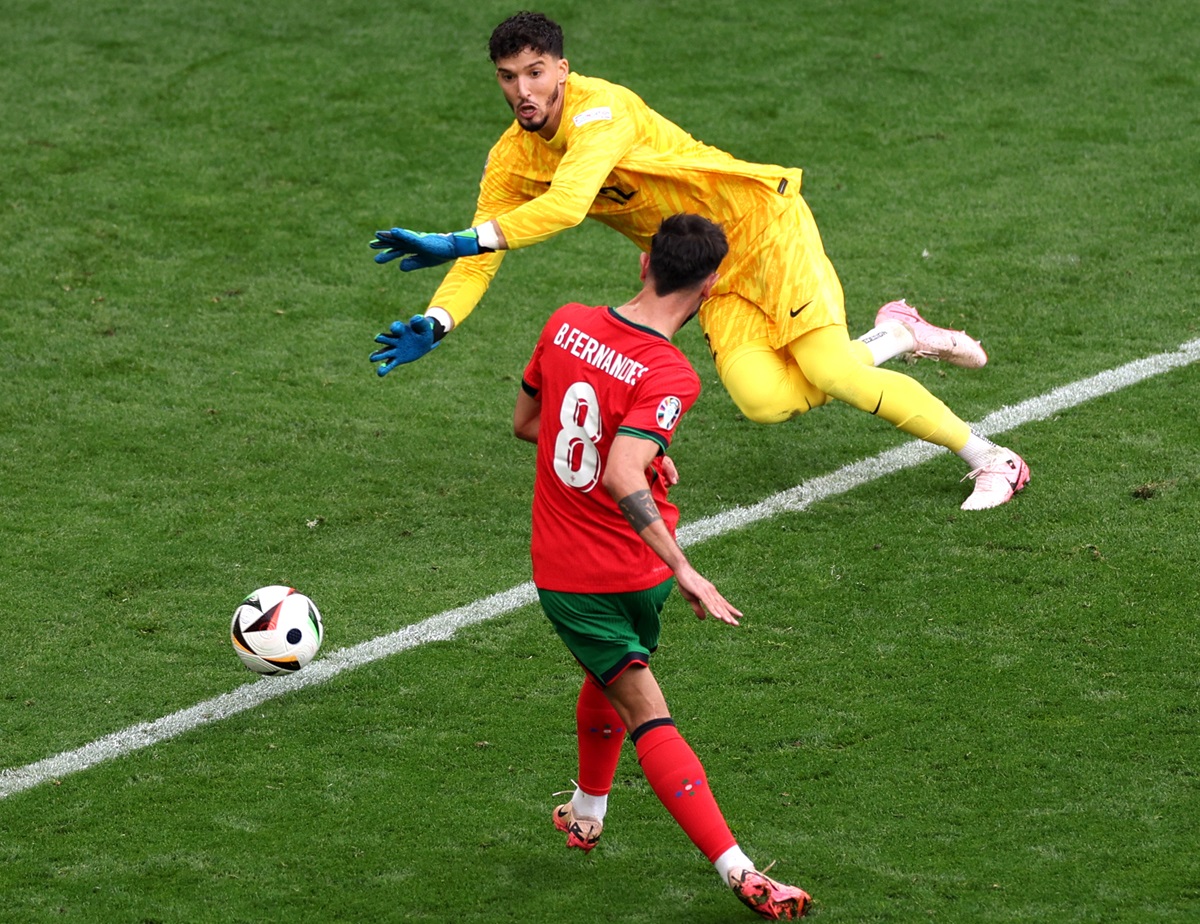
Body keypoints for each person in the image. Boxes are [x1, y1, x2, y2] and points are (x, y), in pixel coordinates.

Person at [369, 11, 1030, 512]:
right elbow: (485, 258)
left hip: (762, 224)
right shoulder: (512, 160)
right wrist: (439, 320)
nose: (523, 89)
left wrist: (457, 240)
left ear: (562, 69)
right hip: (702, 265)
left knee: (828, 368)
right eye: (509, 78)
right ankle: (895, 335)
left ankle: (989, 456)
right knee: (764, 402)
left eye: (536, 72)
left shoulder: (605, 112)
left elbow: (567, 207)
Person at [511, 212, 810, 920]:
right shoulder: (670, 372)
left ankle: (725, 867)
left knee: (631, 694)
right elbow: (619, 474)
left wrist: (636, 456)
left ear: (646, 262)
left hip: (574, 575)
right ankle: (630, 829)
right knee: (627, 684)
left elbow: (531, 425)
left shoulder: (564, 322)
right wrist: (683, 567)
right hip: (635, 574)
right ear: (708, 287)